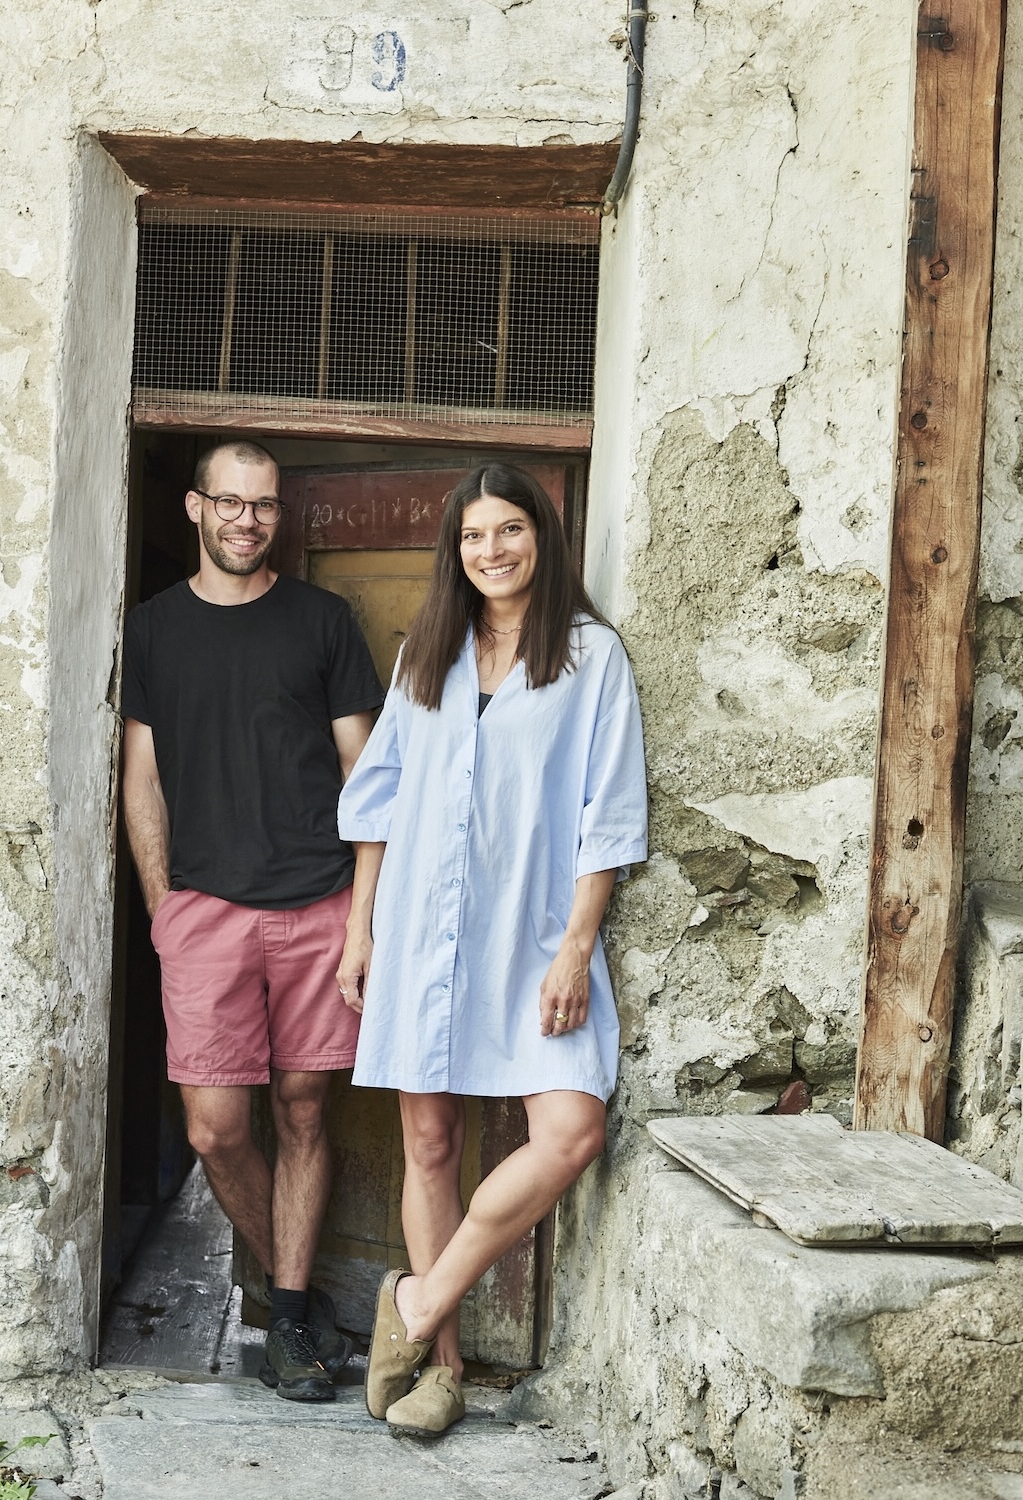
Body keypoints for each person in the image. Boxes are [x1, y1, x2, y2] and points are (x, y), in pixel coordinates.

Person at [335, 462, 647, 1438]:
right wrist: (360, 928)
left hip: (535, 932)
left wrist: (577, 947)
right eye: (474, 535)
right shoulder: (426, 652)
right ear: (455, 550)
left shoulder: (591, 657)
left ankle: (418, 1300)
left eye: (509, 529)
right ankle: (443, 1372)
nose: (492, 549)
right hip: (420, 924)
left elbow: (609, 812)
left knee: (570, 1132)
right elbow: (379, 799)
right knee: (430, 1141)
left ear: (541, 536)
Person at [121, 439, 384, 1403]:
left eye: (264, 505)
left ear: (280, 513)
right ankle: (299, 1298)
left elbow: (367, 778)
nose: (247, 521)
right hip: (205, 915)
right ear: (195, 508)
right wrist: (164, 912)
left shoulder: (322, 622)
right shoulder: (154, 629)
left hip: (318, 906)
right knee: (215, 1129)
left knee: (305, 1109)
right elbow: (142, 779)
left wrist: (362, 920)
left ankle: (290, 1314)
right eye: (229, 503)